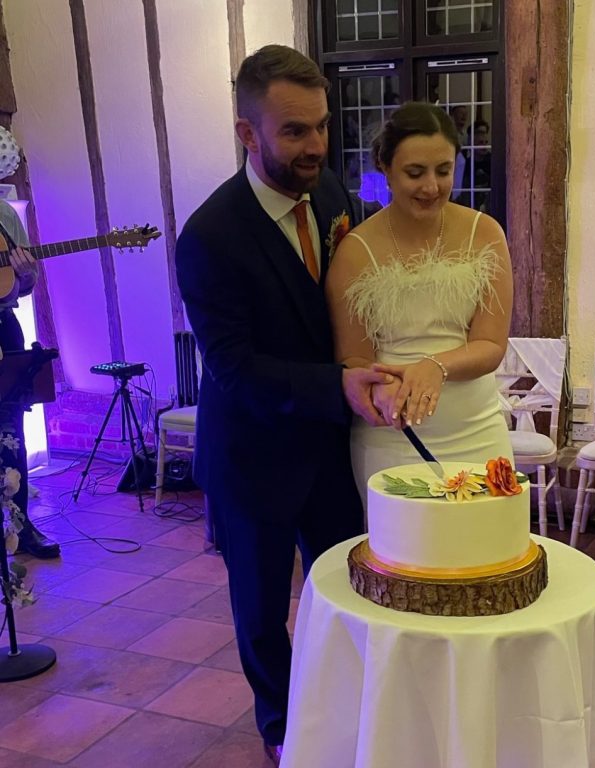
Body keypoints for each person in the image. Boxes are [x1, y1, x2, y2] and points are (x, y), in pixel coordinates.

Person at [174, 45, 390, 765]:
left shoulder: (329, 195)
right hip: (252, 456)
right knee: (263, 613)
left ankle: (344, 711)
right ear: (247, 133)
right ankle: (281, 729)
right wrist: (337, 385)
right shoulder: (208, 236)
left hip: (328, 447)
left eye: (322, 127)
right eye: (295, 131)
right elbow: (234, 369)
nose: (316, 146)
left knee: (341, 593)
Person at [325, 101, 513, 499]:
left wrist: (435, 366)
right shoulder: (355, 250)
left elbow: (491, 345)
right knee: (402, 556)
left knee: (483, 553)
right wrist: (380, 390)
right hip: (393, 438)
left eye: (443, 171)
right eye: (415, 172)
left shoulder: (486, 233)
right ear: (386, 168)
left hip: (476, 429)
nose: (431, 187)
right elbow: (354, 358)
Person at [0, 200, 60, 559]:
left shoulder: (4, 214)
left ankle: (19, 529)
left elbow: (26, 283)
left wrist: (25, 274)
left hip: (3, 327)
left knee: (11, 433)